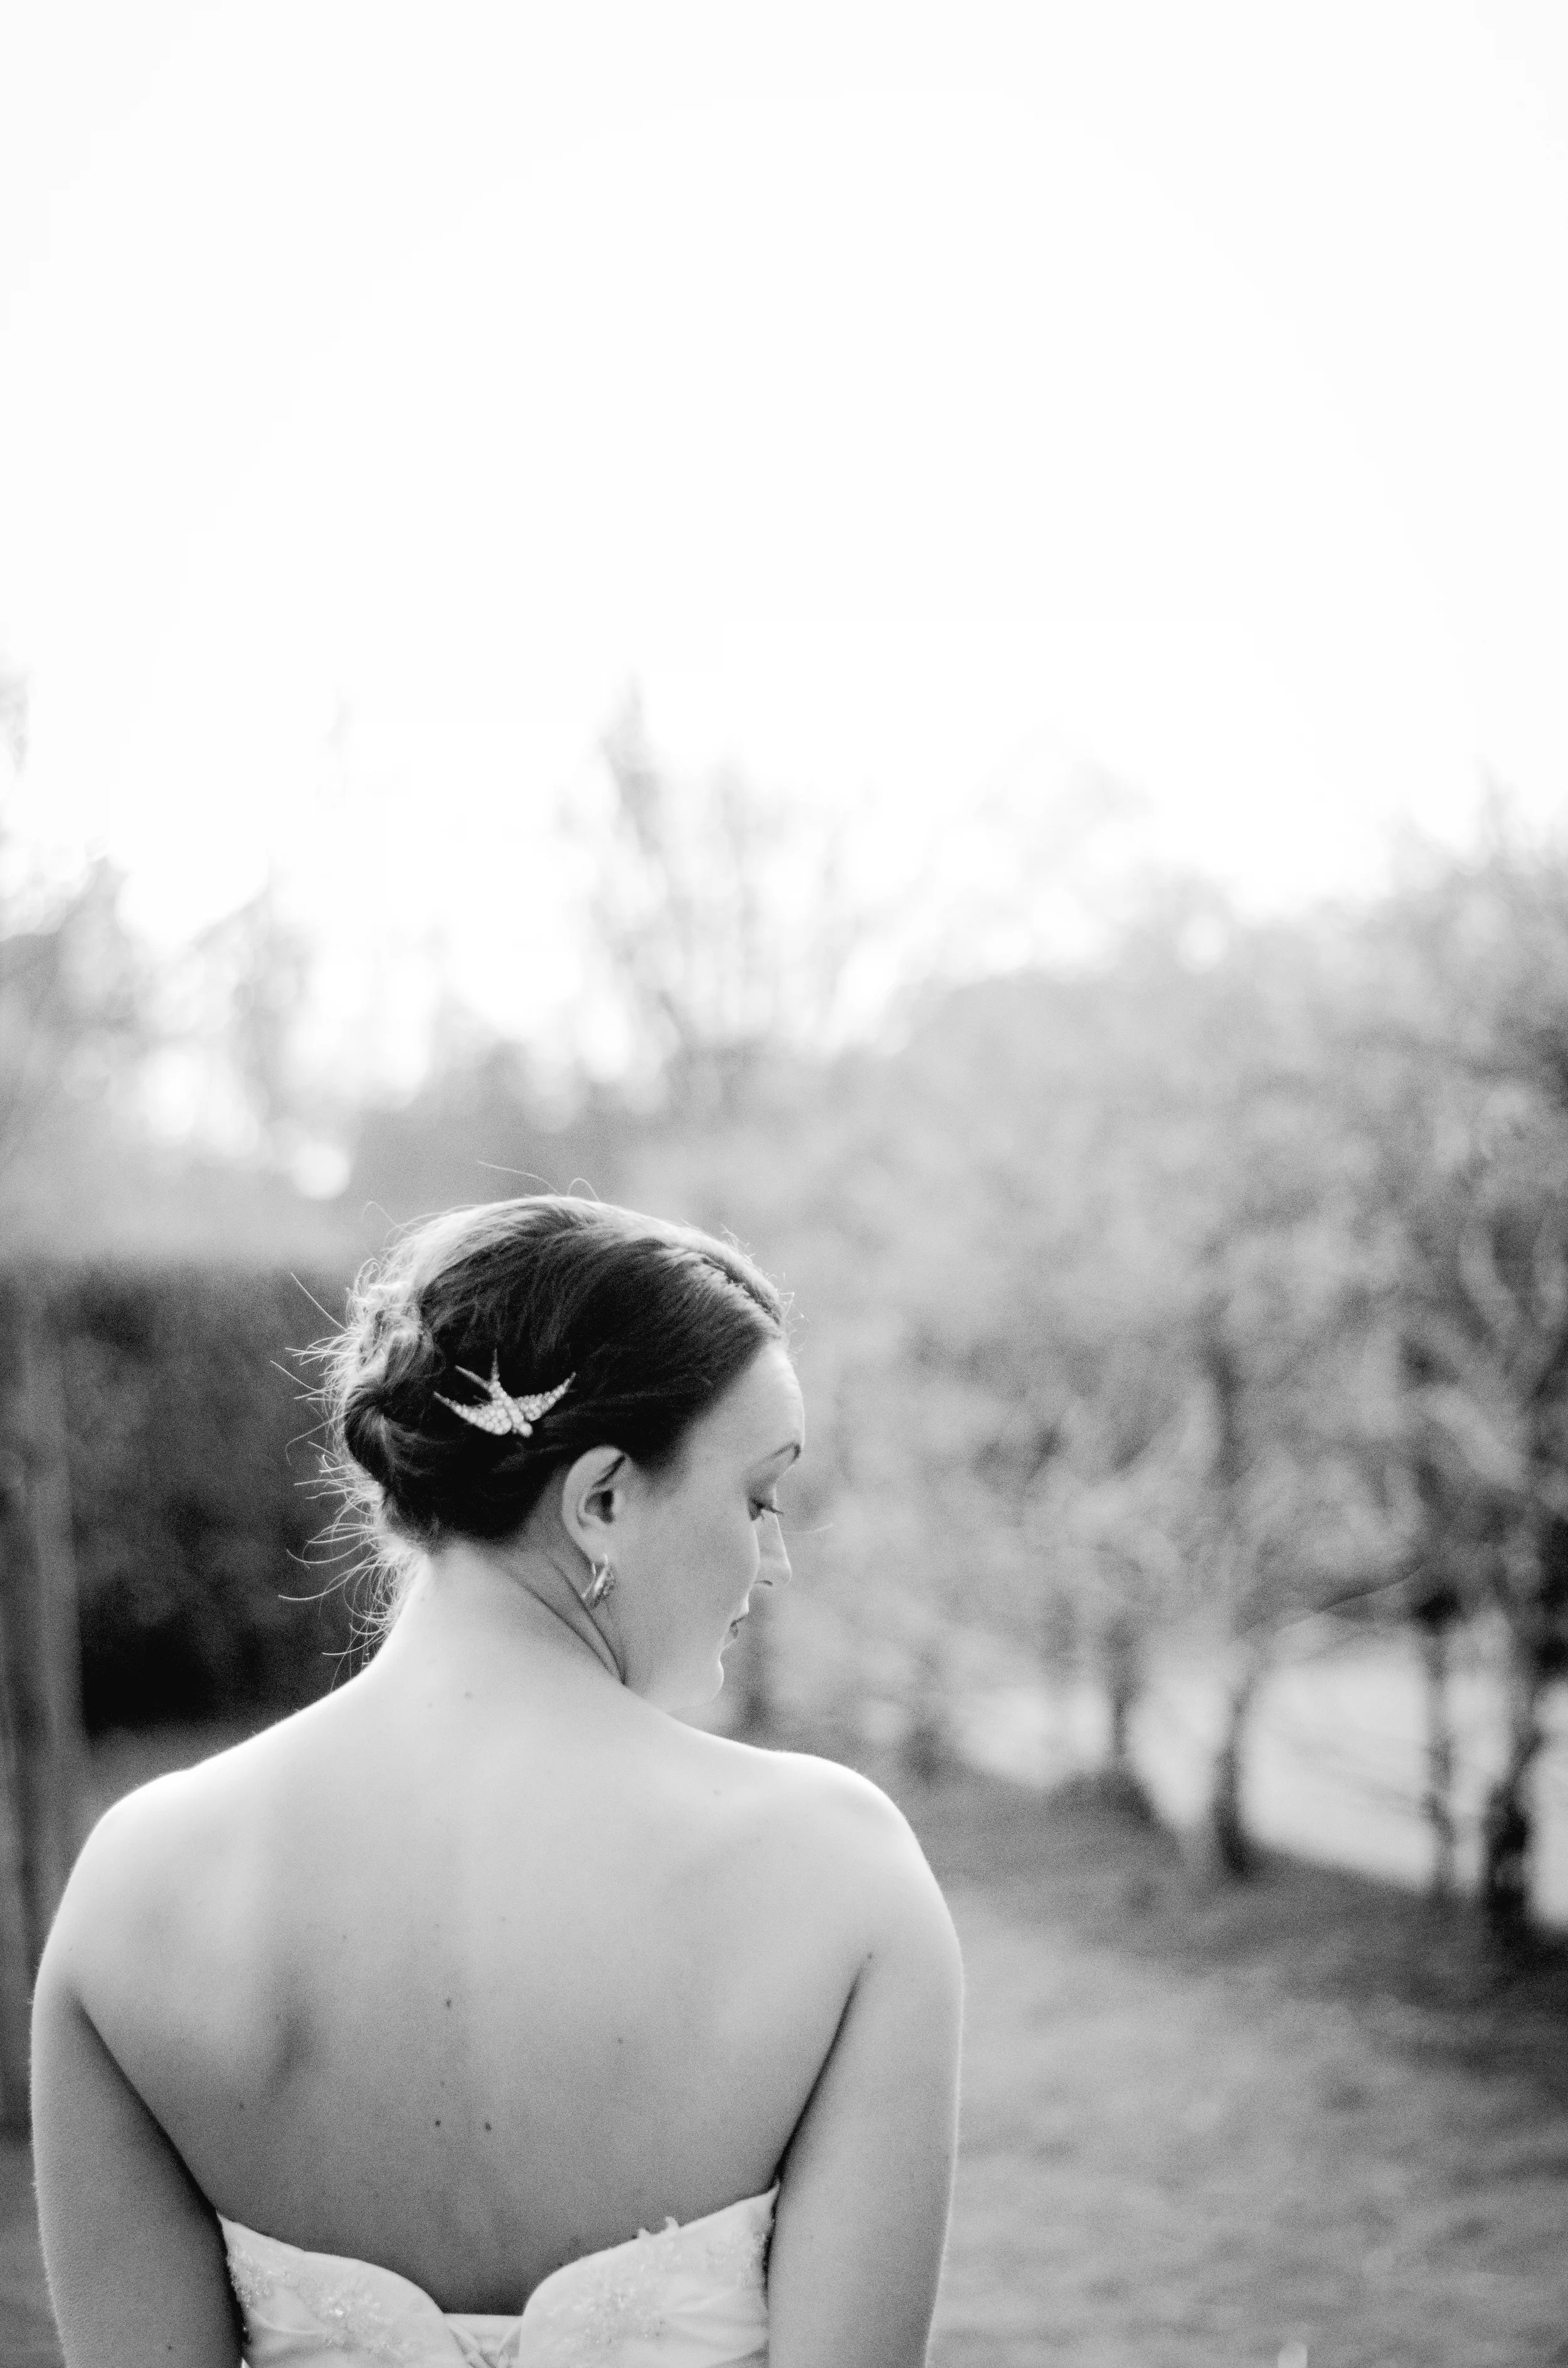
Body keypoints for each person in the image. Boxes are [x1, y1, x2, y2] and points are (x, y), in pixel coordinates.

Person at [31, 1194, 963, 2367]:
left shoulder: (137, 1884)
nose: (772, 1559)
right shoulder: (840, 1874)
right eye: (758, 1495)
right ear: (602, 1499)